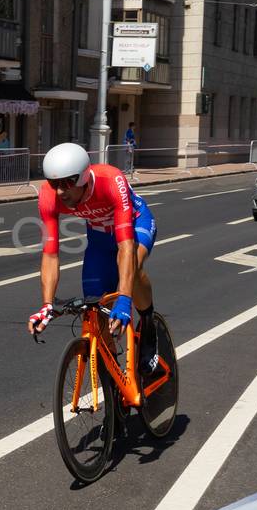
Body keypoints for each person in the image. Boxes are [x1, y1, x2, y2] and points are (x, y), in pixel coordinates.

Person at [26, 142, 159, 364]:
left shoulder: (111, 181)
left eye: (67, 182)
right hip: (99, 239)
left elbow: (125, 247)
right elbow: (50, 254)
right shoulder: (49, 196)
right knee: (94, 308)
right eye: (54, 182)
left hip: (135, 225)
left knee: (129, 264)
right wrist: (47, 304)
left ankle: (148, 323)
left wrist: (125, 300)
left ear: (84, 177)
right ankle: (112, 372)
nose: (60, 191)